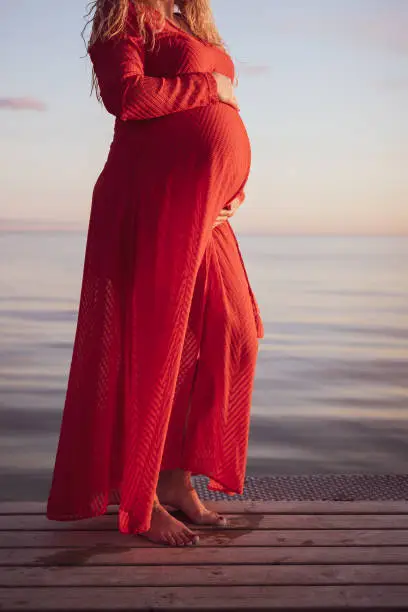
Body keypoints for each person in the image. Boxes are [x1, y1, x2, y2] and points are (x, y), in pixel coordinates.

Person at [46, 0, 264, 547]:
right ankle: (139, 503)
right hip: (149, 202)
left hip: (202, 211)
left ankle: (175, 480)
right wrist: (210, 90)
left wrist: (231, 187)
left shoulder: (190, 20)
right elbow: (128, 98)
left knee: (232, 332)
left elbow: (218, 125)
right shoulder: (126, 17)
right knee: (154, 347)